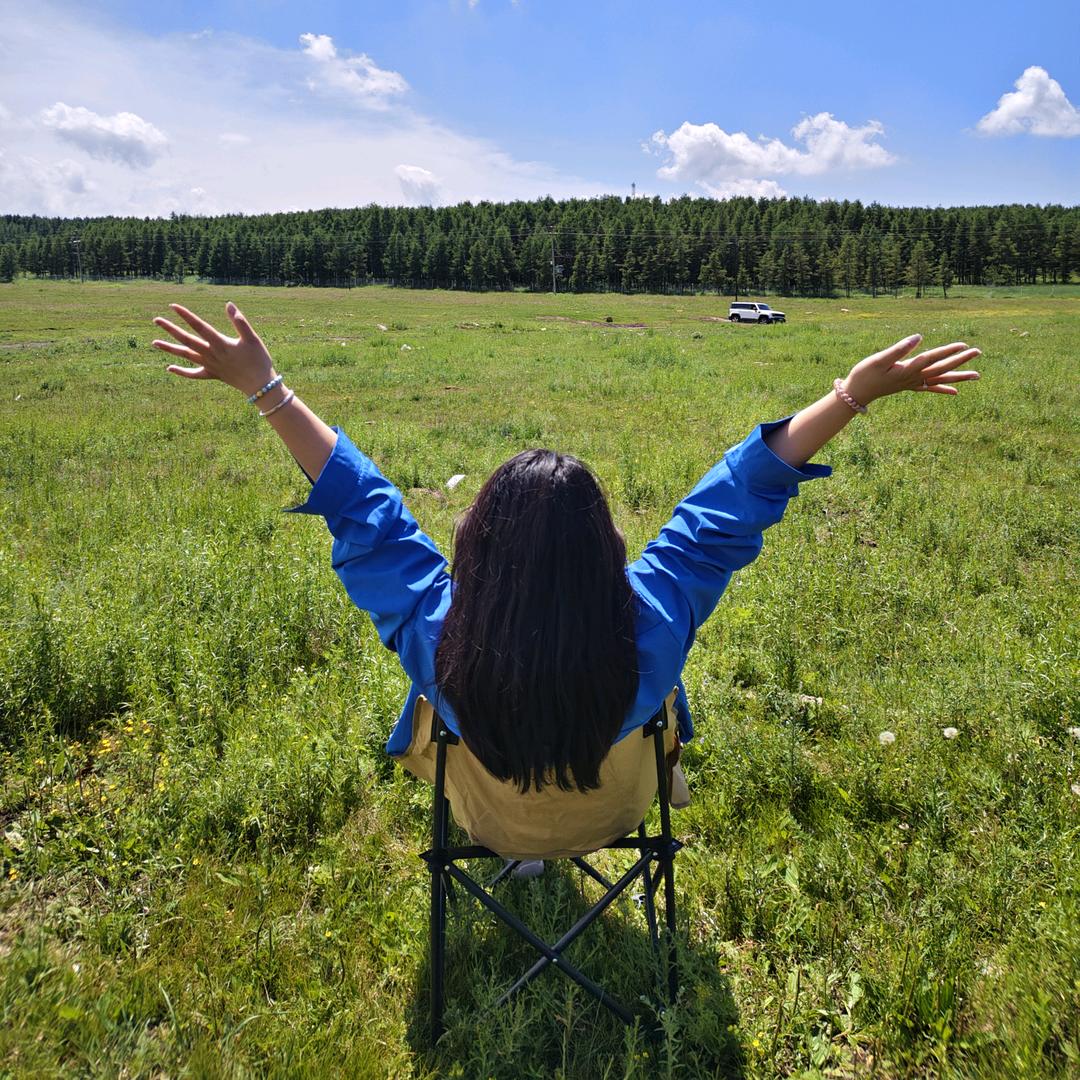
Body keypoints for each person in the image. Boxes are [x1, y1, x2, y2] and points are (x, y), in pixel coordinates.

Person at [152, 302, 980, 817]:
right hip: (614, 811)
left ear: (479, 543)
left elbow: (369, 515)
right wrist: (851, 396)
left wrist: (271, 391)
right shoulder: (649, 623)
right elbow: (722, 511)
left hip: (487, 817)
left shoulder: (441, 632)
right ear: (602, 546)